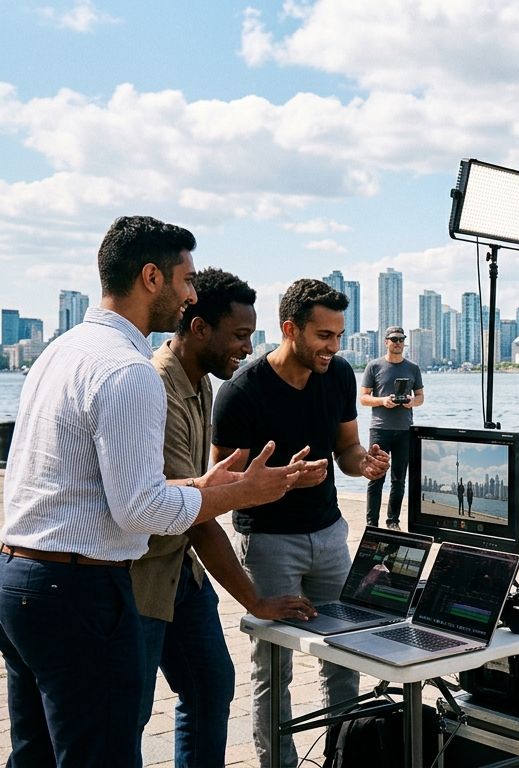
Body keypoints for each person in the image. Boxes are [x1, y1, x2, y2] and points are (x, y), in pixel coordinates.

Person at [0, 215, 301, 768]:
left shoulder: (60, 352)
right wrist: (237, 494)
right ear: (151, 278)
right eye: (186, 281)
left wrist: (202, 485)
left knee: (36, 756)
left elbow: (94, 483)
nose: (191, 296)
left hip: (22, 583)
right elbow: (140, 508)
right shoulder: (130, 370)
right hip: (81, 591)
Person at [133, 267, 317, 767]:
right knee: (129, 714)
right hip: (142, 578)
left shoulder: (204, 384)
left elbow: (208, 490)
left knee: (211, 688)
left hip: (184, 571)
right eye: (239, 336)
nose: (248, 347)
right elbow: (193, 511)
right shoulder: (156, 386)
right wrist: (254, 598)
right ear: (199, 330)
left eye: (252, 335)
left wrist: (267, 483)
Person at [213, 278, 391, 768]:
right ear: (290, 329)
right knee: (274, 668)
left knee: (345, 658)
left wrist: (365, 465)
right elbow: (220, 489)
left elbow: (347, 450)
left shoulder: (338, 375)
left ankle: (341, 757)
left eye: (338, 335)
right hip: (268, 543)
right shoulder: (240, 392)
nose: (334, 347)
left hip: (331, 534)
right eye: (324, 336)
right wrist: (285, 481)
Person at [359, 325, 424, 529]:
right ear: (386, 341)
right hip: (380, 429)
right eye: (394, 339)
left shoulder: (413, 367)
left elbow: (421, 397)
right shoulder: (374, 366)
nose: (398, 343)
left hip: (405, 430)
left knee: (399, 479)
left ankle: (393, 521)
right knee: (376, 477)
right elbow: (363, 398)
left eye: (401, 339)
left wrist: (411, 402)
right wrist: (383, 401)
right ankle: (372, 523)